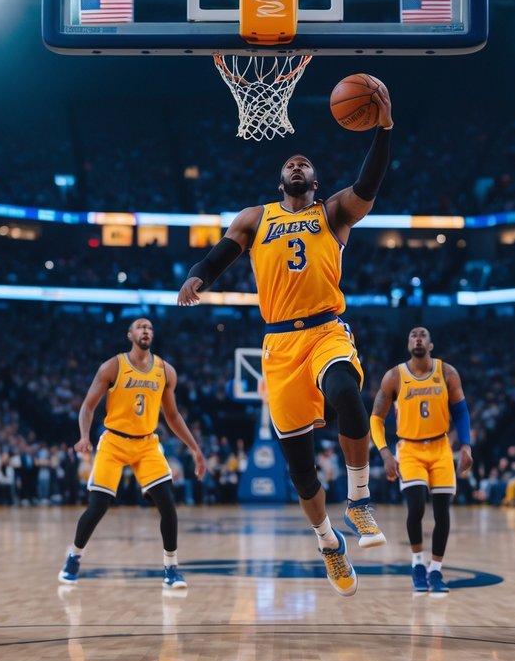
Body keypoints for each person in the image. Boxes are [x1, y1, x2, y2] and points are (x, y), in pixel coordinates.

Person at [178, 88, 394, 596]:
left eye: (305, 162)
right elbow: (217, 257)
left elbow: (369, 181)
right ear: (282, 177)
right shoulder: (255, 217)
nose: (298, 164)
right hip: (278, 347)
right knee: (300, 471)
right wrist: (196, 277)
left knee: (346, 394)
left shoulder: (334, 212)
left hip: (325, 330)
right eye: (291, 161)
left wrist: (383, 128)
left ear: (314, 179)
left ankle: (359, 499)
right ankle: (328, 543)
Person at [58, 318, 206, 589]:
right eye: (140, 327)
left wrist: (195, 448)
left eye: (149, 327)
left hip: (147, 444)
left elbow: (172, 416)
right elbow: (88, 406)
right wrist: (83, 436)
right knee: (98, 506)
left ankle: (171, 569)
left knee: (168, 506)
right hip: (114, 442)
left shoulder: (165, 371)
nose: (145, 330)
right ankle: (74, 556)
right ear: (130, 335)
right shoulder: (113, 366)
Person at [371, 326, 473, 595]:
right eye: (413, 335)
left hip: (440, 447)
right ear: (408, 345)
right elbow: (376, 418)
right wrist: (385, 453)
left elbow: (461, 412)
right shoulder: (394, 376)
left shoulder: (447, 372)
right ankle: (417, 564)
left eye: (423, 335)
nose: (417, 337)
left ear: (430, 344)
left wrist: (466, 446)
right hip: (410, 449)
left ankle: (436, 570)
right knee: (415, 508)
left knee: (442, 512)